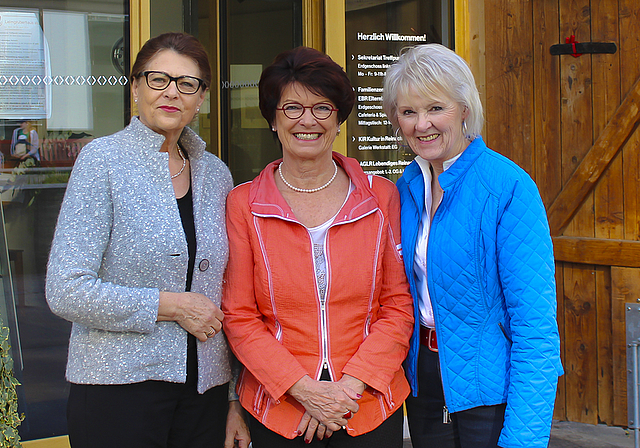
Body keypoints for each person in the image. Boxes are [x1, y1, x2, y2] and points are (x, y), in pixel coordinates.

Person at [46, 32, 249, 448]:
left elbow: (227, 292)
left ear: (202, 97)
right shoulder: (101, 161)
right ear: (135, 86)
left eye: (187, 83)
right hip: (117, 389)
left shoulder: (216, 174)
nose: (171, 92)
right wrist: (169, 306)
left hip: (203, 395)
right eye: (158, 79)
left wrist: (233, 401)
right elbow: (65, 289)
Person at [221, 46, 414, 448]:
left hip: (367, 403)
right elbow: (239, 315)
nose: (307, 120)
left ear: (339, 119)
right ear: (273, 119)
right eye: (291, 108)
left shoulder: (381, 197)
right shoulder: (244, 205)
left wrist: (348, 390)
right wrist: (304, 391)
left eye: (322, 108)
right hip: (279, 406)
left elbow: (397, 305)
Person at [383, 43, 563, 448]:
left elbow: (535, 327)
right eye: (408, 112)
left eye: (435, 108)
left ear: (464, 109)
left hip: (491, 390)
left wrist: (524, 438)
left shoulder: (507, 187)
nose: (421, 124)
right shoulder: (405, 188)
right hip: (424, 383)